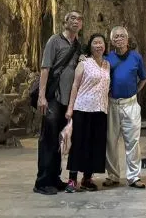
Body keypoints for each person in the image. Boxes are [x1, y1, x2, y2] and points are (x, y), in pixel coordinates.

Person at [34, 11, 83, 195]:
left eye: (79, 19)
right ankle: (42, 182)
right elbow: (45, 68)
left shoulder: (78, 45)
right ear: (65, 22)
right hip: (53, 97)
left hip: (67, 100)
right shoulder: (54, 41)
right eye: (73, 18)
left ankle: (54, 178)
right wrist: (42, 96)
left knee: (59, 141)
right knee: (48, 140)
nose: (76, 22)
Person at [64, 33, 111, 193]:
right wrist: (70, 108)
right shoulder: (84, 63)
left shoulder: (107, 64)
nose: (98, 45)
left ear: (105, 46)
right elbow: (75, 86)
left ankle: (87, 178)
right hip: (83, 108)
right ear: (90, 46)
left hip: (100, 109)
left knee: (95, 145)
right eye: (95, 43)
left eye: (101, 43)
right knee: (78, 144)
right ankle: (72, 179)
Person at [104, 26, 146, 189]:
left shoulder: (136, 57)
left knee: (133, 142)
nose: (119, 39)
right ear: (111, 40)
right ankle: (113, 175)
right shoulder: (107, 59)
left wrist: (134, 91)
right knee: (111, 141)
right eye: (116, 36)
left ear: (127, 39)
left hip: (130, 104)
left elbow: (143, 78)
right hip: (112, 104)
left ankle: (134, 177)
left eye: (122, 36)